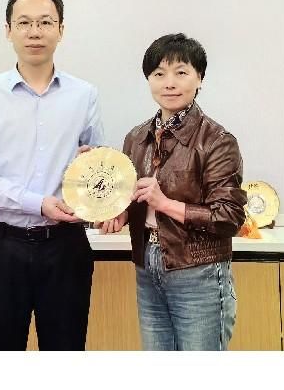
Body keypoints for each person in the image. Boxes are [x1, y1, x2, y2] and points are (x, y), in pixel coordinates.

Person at [0, 0, 104, 350]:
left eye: (45, 22)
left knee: (66, 352)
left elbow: (98, 164)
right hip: (0, 247)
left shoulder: (84, 95)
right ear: (8, 30)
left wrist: (96, 181)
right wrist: (37, 203)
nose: (35, 32)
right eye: (24, 22)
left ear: (61, 30)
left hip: (66, 247)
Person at [99, 33, 247, 350]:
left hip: (198, 269)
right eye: (159, 74)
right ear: (148, 80)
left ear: (199, 78)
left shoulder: (217, 140)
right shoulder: (136, 137)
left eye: (181, 72)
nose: (169, 83)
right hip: (147, 264)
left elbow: (229, 217)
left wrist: (165, 203)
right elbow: (135, 200)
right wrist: (117, 211)